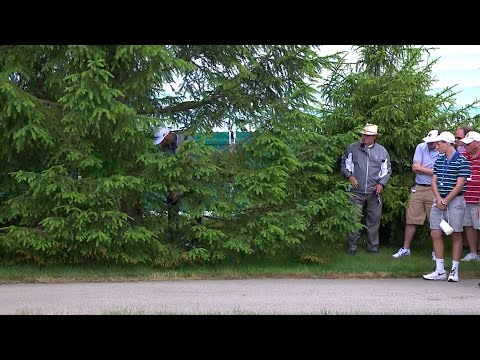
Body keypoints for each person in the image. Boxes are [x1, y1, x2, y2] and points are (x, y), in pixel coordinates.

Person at [422, 131, 471, 282]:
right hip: (438, 200)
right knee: (435, 233)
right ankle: (440, 270)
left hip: (455, 201)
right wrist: (438, 199)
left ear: (447, 144)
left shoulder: (461, 161)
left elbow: (460, 184)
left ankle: (454, 270)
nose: (436, 146)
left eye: (439, 143)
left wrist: (446, 201)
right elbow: (434, 180)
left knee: (456, 234)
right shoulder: (439, 160)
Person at [341, 123, 392, 255]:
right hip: (355, 191)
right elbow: (344, 164)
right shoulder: (352, 148)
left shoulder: (382, 151)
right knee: (353, 219)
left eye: (368, 135)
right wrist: (350, 176)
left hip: (374, 192)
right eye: (364, 134)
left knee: (374, 220)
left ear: (374, 137)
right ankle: (351, 247)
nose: (365, 137)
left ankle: (373, 247)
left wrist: (381, 184)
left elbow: (386, 171)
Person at [392, 130, 439, 258]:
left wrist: (424, 169)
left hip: (434, 189)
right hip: (418, 187)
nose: (429, 144)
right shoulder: (421, 146)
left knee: (434, 221)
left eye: (432, 142)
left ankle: (436, 252)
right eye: (428, 142)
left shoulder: (442, 150)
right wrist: (432, 170)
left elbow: (440, 172)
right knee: (411, 219)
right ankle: (406, 249)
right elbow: (415, 168)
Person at [458, 131, 480, 261]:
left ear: (477, 144)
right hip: (465, 197)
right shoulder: (463, 156)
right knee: (468, 225)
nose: (465, 146)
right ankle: (473, 253)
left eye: (469, 143)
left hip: (478, 199)